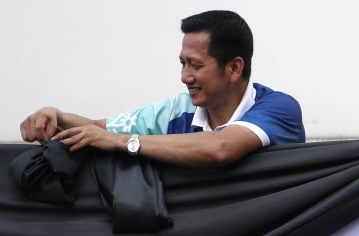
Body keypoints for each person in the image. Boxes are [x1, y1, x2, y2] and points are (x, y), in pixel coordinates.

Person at [18, 10, 303, 167]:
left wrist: (126, 143)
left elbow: (220, 148)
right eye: (182, 63)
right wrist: (55, 115)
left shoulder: (279, 108)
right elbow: (97, 130)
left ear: (234, 68)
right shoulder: (176, 110)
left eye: (195, 65)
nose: (184, 77)